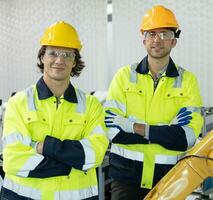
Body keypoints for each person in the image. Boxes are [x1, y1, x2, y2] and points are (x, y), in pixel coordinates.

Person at [1, 21, 109, 200]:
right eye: (53, 53)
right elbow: (13, 160)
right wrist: (72, 162)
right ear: (42, 56)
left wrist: (41, 146)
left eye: (67, 54)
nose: (59, 60)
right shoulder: (18, 103)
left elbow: (94, 155)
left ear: (75, 61)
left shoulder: (91, 105)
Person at [104, 5, 203, 200]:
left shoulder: (188, 81)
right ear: (144, 39)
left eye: (164, 34)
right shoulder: (123, 77)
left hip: (169, 178)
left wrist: (134, 126)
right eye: (151, 34)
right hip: (126, 178)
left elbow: (185, 138)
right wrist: (165, 131)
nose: (157, 40)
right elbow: (113, 131)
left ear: (174, 41)